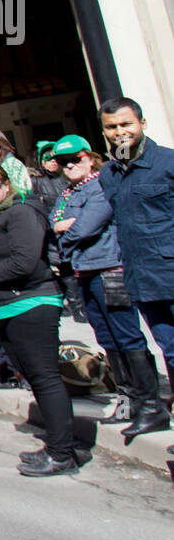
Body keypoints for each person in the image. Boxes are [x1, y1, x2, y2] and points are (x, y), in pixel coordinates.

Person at [0, 162, 76, 476]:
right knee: (34, 377)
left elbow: (23, 262)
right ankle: (57, 445)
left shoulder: (22, 211)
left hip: (31, 302)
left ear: (6, 184)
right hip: (7, 306)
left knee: (45, 377)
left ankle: (63, 454)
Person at [51, 134, 159, 430]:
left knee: (127, 337)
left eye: (76, 158)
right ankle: (127, 402)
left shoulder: (101, 185)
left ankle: (151, 406)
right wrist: (67, 226)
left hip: (110, 271)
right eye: (63, 162)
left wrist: (68, 229)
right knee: (108, 339)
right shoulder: (68, 193)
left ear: (89, 156)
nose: (70, 165)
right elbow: (53, 221)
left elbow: (87, 227)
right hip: (84, 272)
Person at [97, 97, 174, 446]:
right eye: (112, 127)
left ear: (142, 123)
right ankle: (156, 411)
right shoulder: (109, 173)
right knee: (168, 350)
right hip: (141, 279)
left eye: (126, 124)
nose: (120, 132)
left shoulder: (168, 163)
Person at [31, 139, 87, 322]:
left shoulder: (70, 178)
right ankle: (72, 306)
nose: (52, 161)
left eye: (55, 158)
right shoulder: (37, 182)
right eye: (47, 158)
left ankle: (79, 304)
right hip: (51, 232)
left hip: (73, 229)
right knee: (61, 269)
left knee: (73, 269)